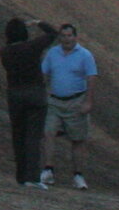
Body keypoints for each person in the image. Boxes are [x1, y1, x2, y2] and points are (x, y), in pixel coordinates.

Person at [0, 18, 60, 187]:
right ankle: (32, 177)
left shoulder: (4, 51)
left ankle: (21, 176)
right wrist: (39, 22)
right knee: (33, 137)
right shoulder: (32, 47)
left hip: (15, 95)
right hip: (35, 94)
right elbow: (54, 33)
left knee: (18, 136)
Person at [41, 23, 100, 188]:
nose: (66, 39)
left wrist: (88, 101)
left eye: (69, 36)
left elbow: (91, 78)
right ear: (60, 37)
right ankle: (48, 170)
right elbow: (44, 74)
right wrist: (41, 95)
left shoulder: (85, 55)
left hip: (76, 102)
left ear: (75, 37)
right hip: (54, 101)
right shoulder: (52, 53)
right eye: (63, 36)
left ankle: (78, 175)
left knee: (78, 139)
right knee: (48, 133)